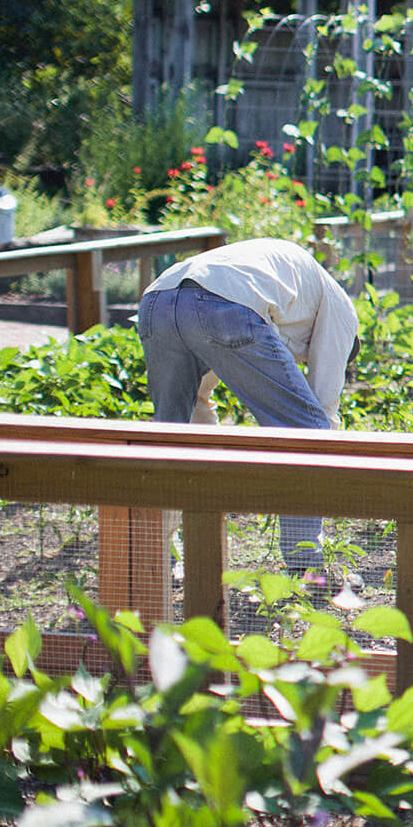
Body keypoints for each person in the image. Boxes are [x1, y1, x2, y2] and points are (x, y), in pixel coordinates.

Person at [136, 237, 360, 577]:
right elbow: (323, 408)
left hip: (157, 302)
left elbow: (204, 379)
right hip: (223, 304)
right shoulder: (342, 314)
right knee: (306, 430)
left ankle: (157, 560)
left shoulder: (296, 293)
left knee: (172, 434)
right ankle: (307, 568)